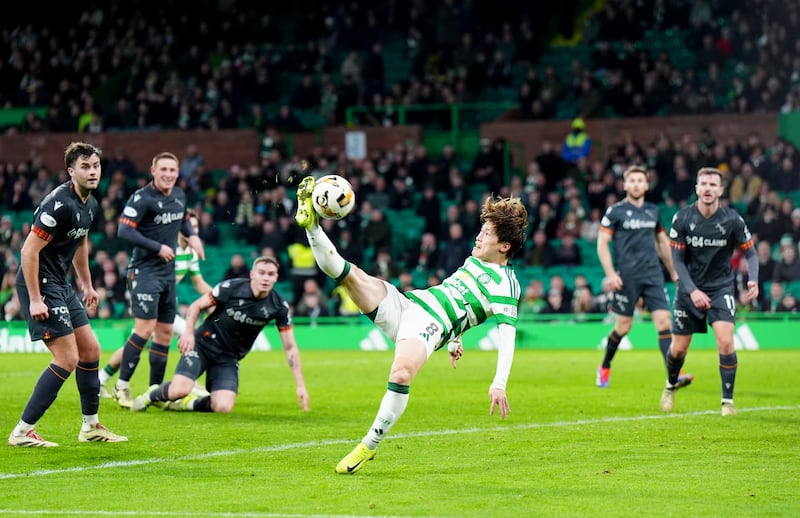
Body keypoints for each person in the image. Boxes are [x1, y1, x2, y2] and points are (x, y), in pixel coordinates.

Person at [294, 175, 528, 474]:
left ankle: (369, 444)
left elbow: (507, 334)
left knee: (401, 373)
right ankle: (311, 224)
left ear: (505, 246)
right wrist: (457, 338)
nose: (478, 238)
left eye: (486, 234)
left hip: (428, 327)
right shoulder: (474, 260)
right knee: (347, 274)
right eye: (480, 231)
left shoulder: (507, 285)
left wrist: (498, 382)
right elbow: (465, 301)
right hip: (407, 304)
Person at [8, 142, 127, 447]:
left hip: (61, 283)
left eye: (96, 166)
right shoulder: (58, 204)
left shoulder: (90, 205)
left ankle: (90, 427)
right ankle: (22, 431)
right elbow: (28, 251)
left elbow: (80, 244)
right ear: (71, 171)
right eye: (85, 167)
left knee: (91, 352)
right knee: (67, 358)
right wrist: (34, 299)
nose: (92, 171)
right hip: (40, 283)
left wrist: (87, 284)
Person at [130, 256, 309, 413]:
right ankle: (151, 394)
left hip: (228, 357)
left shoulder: (278, 306)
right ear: (252, 274)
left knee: (223, 407)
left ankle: (188, 404)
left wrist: (300, 385)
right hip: (202, 345)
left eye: (270, 274)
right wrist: (189, 334)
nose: (265, 278)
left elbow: (290, 347)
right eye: (261, 272)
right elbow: (196, 306)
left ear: (276, 278)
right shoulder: (230, 288)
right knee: (179, 390)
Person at [661, 167, 759, 416]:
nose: (707, 188)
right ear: (696, 188)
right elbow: (677, 261)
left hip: (720, 288)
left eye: (713, 185)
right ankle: (670, 385)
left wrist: (753, 280)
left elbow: (750, 251)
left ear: (721, 190)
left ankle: (727, 402)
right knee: (679, 349)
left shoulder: (732, 220)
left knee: (726, 341)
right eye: (703, 184)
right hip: (688, 290)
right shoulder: (682, 218)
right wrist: (692, 291)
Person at [110, 152, 205, 409]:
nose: (168, 174)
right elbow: (124, 229)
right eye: (163, 169)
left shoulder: (179, 195)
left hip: (167, 274)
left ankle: (155, 391)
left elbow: (184, 219)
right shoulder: (142, 198)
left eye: (172, 170)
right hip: (144, 272)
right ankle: (122, 386)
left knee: (164, 333)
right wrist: (157, 247)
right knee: (144, 329)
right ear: (153, 170)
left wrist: (193, 236)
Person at [596, 166, 693, 389]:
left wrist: (673, 271)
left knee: (663, 322)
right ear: (625, 185)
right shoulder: (615, 211)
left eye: (641, 180)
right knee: (623, 327)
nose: (637, 184)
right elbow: (602, 243)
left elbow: (661, 242)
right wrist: (611, 274)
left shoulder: (653, 211)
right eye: (633, 180)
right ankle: (605, 366)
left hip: (653, 276)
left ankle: (674, 374)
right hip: (627, 278)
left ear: (647, 185)